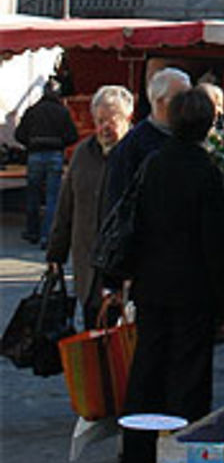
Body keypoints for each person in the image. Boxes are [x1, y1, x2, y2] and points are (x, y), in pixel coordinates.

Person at [118, 86, 224, 463]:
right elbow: (216, 244)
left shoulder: (153, 164)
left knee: (146, 376)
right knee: (187, 384)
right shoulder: (204, 171)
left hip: (152, 287)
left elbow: (135, 224)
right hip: (193, 292)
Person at [46, 84, 134, 326]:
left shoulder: (137, 155)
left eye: (111, 120)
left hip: (126, 271)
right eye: (100, 120)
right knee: (92, 330)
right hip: (88, 266)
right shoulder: (83, 153)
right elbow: (66, 206)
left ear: (128, 118)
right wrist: (56, 254)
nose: (104, 127)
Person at [106, 67, 191, 207]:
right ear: (160, 101)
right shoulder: (133, 146)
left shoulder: (192, 137)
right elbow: (119, 202)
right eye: (180, 97)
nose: (189, 103)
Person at [14, 78, 79, 246]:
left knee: (33, 196)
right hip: (55, 155)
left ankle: (32, 231)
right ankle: (47, 235)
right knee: (52, 198)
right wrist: (60, 143)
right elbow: (73, 136)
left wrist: (30, 143)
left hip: (34, 155)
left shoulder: (32, 111)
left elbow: (19, 135)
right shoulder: (62, 112)